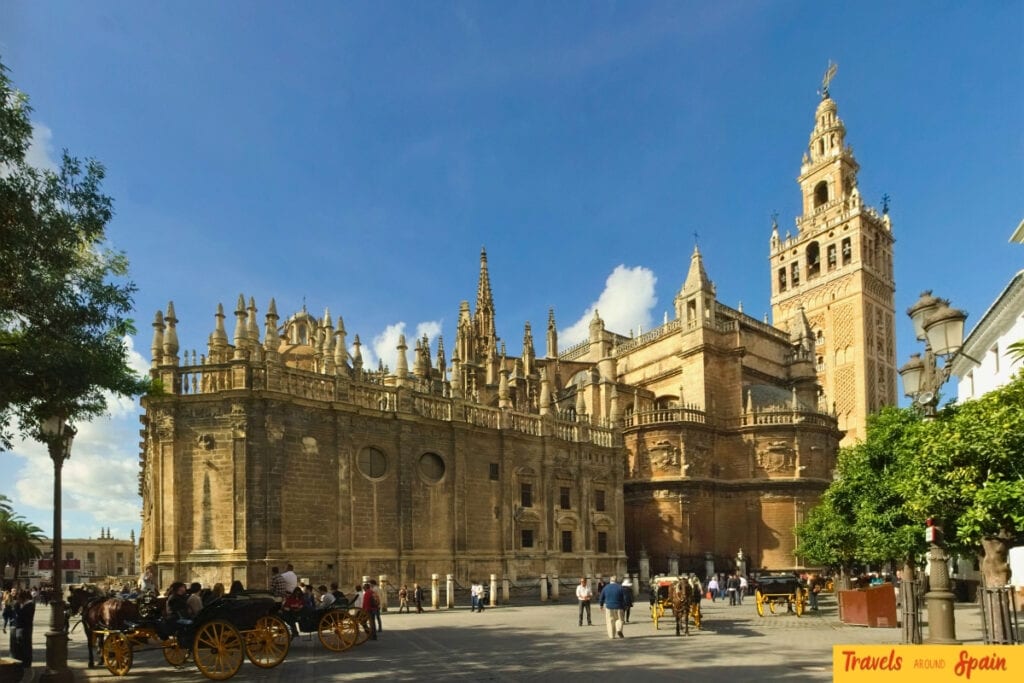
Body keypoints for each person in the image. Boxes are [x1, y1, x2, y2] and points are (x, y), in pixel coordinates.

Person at [10, 589, 34, 670]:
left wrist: (17, 608)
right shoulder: (24, 605)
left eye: (19, 598)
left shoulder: (29, 605)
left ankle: (26, 663)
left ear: (23, 598)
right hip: (21, 628)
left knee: (26, 646)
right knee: (22, 646)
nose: (18, 600)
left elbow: (23, 617)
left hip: (25, 629)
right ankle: (23, 662)